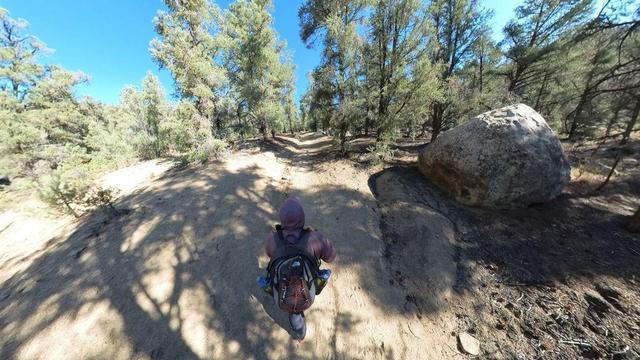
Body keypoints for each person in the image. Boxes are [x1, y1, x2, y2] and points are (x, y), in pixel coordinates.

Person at [260, 196, 336, 340]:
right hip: (308, 292)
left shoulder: (271, 239)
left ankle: (299, 332)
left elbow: (270, 254)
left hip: (281, 293)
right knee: (313, 282)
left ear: (281, 219)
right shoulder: (315, 238)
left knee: (291, 306)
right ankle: (317, 286)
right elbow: (331, 257)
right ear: (302, 218)